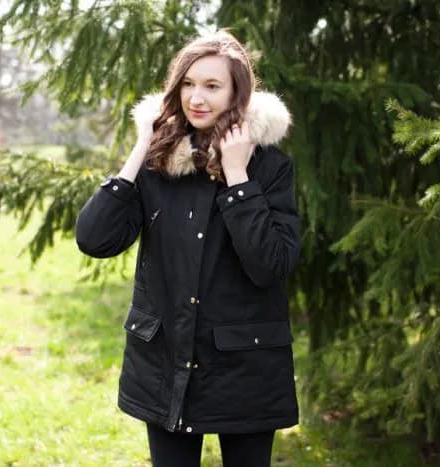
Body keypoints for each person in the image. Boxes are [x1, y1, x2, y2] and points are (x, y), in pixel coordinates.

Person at [74, 29, 301, 467]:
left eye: (212, 86)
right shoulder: (157, 164)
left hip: (245, 366)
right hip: (164, 363)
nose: (196, 97)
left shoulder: (269, 168)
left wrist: (237, 177)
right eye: (188, 84)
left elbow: (270, 264)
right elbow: (95, 239)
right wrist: (141, 147)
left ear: (238, 92)